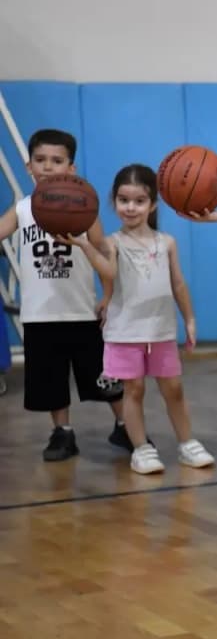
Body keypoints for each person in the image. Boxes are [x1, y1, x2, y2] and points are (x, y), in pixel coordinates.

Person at [70, 164, 214, 474]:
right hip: (124, 331)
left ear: (153, 204)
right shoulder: (112, 243)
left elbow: (178, 284)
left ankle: (187, 443)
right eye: (123, 200)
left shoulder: (166, 242)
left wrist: (189, 318)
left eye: (138, 201)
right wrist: (84, 245)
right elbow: (107, 273)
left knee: (173, 388)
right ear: (114, 202)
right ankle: (141, 448)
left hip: (160, 330)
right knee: (133, 390)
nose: (130, 207)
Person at [0, 129, 127, 461]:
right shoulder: (23, 209)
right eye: (40, 160)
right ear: (29, 167)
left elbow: (104, 253)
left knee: (103, 377)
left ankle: (126, 425)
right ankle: (62, 433)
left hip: (82, 312)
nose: (48, 167)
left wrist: (109, 297)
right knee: (50, 381)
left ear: (71, 168)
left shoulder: (85, 207)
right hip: (40, 314)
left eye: (57, 161)